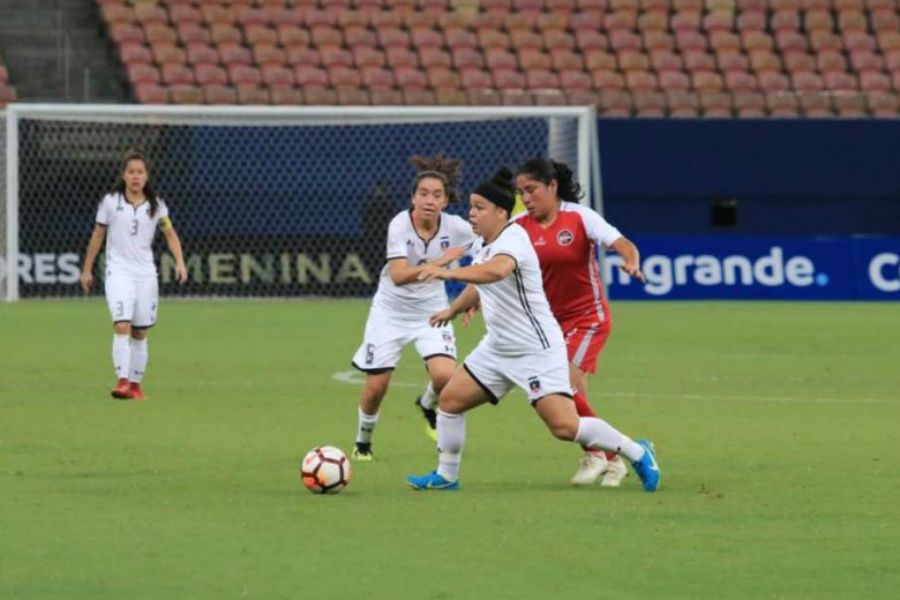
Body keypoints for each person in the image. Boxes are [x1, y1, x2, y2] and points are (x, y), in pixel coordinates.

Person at [405, 168, 660, 492]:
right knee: (451, 401)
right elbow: (482, 282)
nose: (471, 212)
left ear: (501, 212)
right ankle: (446, 476)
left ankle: (639, 452)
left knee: (565, 427)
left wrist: (447, 273)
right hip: (497, 348)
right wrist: (453, 309)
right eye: (471, 206)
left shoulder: (514, 238)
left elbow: (496, 271)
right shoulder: (484, 242)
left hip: (536, 349)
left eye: (479, 207)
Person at [514, 158, 645, 487]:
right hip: (548, 325)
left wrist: (629, 262)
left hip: (588, 316)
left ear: (552, 186)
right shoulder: (518, 227)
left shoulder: (579, 217)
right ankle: (613, 458)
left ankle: (604, 455)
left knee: (563, 386)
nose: (526, 198)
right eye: (521, 192)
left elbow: (622, 244)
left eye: (531, 190)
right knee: (572, 396)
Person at [350, 156, 477, 460]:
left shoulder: (458, 228)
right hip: (390, 312)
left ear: (446, 201)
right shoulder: (399, 225)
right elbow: (398, 275)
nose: (429, 200)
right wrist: (443, 261)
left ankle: (427, 403)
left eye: (436, 195)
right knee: (377, 385)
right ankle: (363, 441)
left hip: (431, 310)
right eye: (423, 194)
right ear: (413, 197)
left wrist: (477, 295)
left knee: (446, 377)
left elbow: (489, 248)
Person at [80, 149, 187, 400]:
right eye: (131, 172)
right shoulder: (110, 202)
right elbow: (98, 234)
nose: (136, 177)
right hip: (118, 272)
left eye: (140, 172)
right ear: (124, 175)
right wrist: (87, 269)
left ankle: (136, 385)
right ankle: (123, 381)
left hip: (146, 275)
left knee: (139, 332)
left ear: (147, 176)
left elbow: (169, 234)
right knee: (121, 324)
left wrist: (180, 262)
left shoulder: (156, 205)